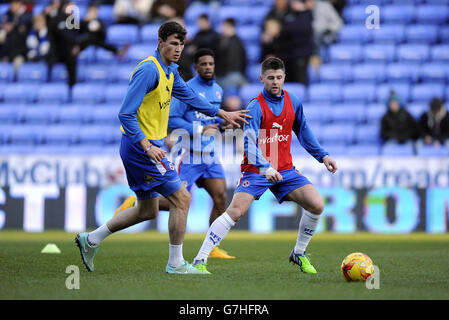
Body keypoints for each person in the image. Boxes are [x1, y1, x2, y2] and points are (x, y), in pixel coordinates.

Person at [74, 21, 250, 275]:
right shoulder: (149, 69)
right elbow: (125, 114)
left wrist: (222, 112)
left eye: (181, 44)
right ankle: (176, 264)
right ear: (160, 42)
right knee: (183, 198)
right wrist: (147, 146)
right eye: (173, 44)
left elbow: (190, 97)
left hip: (144, 147)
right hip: (141, 148)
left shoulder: (171, 70)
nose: (178, 49)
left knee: (147, 211)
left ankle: (90, 240)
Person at [191, 57, 338, 274]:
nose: (275, 82)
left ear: (284, 77)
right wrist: (265, 168)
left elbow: (303, 131)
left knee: (316, 204)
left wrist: (323, 156)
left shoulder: (293, 101)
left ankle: (298, 253)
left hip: (285, 168)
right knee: (235, 211)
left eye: (279, 77)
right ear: (262, 79)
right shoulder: (255, 106)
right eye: (270, 78)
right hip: (257, 169)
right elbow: (249, 143)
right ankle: (199, 260)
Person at [278, 0, 314, 85]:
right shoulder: (289, 14)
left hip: (301, 56)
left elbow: (300, 30)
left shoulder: (307, 15)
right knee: (287, 85)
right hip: (287, 56)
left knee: (300, 83)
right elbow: (283, 29)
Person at [215, 18, 247, 92]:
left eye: (224, 27)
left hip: (232, 75)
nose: (222, 30)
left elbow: (229, 63)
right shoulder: (226, 41)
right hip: (231, 75)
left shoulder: (234, 43)